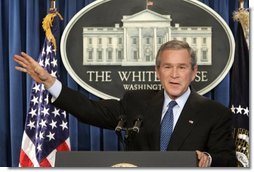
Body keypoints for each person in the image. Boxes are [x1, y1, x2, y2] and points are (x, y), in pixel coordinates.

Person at [14, 40, 236, 167]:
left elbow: (227, 160)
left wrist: (208, 158)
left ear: (194, 72)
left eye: (182, 67)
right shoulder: (137, 102)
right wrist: (50, 82)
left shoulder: (215, 113)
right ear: (157, 72)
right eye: (168, 67)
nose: (174, 75)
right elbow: (90, 110)